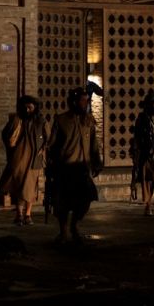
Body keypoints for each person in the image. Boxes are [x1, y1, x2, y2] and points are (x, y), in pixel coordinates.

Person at [45, 86, 103, 244]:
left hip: (82, 169)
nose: (85, 104)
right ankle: (63, 231)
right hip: (65, 169)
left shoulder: (89, 120)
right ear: (74, 102)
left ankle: (74, 225)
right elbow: (51, 145)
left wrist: (97, 163)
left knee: (85, 200)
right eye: (82, 101)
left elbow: (94, 144)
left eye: (86, 101)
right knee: (63, 204)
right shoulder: (61, 120)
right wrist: (50, 164)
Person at [0, 95, 45, 226]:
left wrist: (43, 150)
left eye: (30, 108)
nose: (27, 111)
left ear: (35, 108)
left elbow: (47, 137)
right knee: (19, 187)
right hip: (19, 158)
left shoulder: (40, 121)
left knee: (30, 188)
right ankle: (19, 214)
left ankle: (28, 214)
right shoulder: (17, 119)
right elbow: (5, 134)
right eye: (25, 108)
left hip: (33, 160)